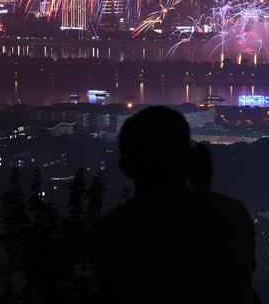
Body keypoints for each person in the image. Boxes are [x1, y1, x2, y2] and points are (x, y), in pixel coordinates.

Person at [90, 106, 258, 304]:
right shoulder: (231, 216)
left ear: (124, 167)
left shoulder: (108, 231)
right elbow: (241, 284)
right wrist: (203, 189)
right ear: (190, 160)